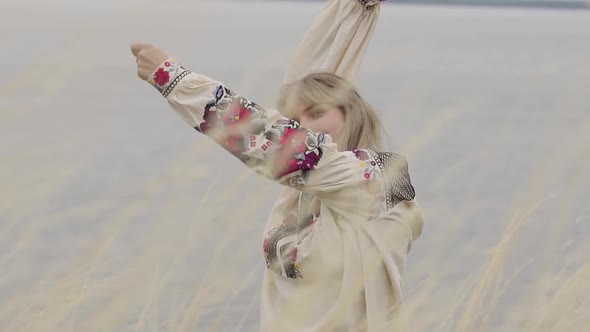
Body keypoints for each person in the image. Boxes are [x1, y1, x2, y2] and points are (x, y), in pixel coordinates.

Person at [131, 0, 424, 330]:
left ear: (351, 112)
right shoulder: (305, 193)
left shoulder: (376, 176)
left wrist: (173, 79)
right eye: (296, 121)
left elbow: (276, 142)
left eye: (316, 113)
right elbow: (309, 81)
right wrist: (352, 10)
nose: (305, 128)